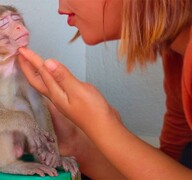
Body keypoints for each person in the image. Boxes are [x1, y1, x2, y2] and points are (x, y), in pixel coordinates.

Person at [18, 0, 192, 179]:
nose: (61, 8)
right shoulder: (176, 57)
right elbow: (169, 166)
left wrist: (103, 125)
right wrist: (77, 144)